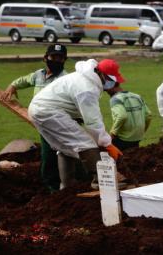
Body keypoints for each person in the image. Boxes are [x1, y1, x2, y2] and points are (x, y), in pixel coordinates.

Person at [28, 59, 124, 190]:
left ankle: (67, 187)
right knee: (86, 143)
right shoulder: (87, 89)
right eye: (110, 79)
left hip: (40, 109)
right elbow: (93, 121)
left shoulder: (84, 79)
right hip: (48, 112)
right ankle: (101, 180)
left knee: (65, 147)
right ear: (101, 74)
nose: (112, 84)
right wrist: (107, 143)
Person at [1, 44, 68, 192]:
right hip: (42, 122)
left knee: (52, 155)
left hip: (56, 124)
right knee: (54, 154)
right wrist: (13, 86)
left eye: (60, 58)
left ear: (65, 60)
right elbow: (24, 80)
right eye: (53, 57)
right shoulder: (39, 75)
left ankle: (54, 187)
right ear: (45, 58)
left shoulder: (65, 79)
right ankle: (56, 185)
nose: (56, 60)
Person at [101, 59, 152, 151]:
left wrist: (112, 134)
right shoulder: (136, 96)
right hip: (137, 139)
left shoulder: (115, 99)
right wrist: (142, 132)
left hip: (122, 140)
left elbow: (121, 116)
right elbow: (148, 115)